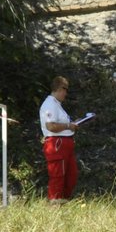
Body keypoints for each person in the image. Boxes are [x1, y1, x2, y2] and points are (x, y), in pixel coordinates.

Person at [39, 75, 84, 204]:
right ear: (59, 88)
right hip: (56, 144)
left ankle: (63, 201)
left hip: (65, 143)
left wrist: (73, 124)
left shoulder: (57, 105)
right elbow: (51, 126)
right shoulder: (50, 104)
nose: (66, 93)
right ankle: (54, 204)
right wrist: (69, 126)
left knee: (71, 175)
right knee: (58, 176)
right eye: (65, 89)